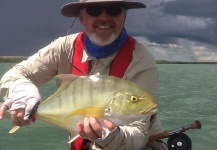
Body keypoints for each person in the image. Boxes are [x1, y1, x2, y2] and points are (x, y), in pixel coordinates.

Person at [0, 0, 167, 149]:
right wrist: (21, 90)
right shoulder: (63, 48)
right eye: (94, 10)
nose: (104, 17)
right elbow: (17, 74)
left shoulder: (141, 60)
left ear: (124, 15)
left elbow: (138, 133)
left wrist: (109, 136)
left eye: (113, 9)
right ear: (81, 17)